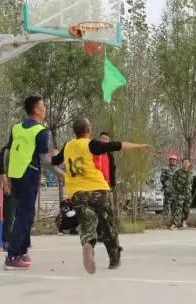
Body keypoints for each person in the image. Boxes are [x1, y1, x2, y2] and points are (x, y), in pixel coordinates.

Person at [52, 117, 150, 274]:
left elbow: (54, 160)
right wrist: (139, 146)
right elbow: (117, 145)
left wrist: (48, 154)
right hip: (98, 190)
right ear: (88, 130)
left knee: (87, 223)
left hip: (78, 193)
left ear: (75, 131)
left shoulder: (68, 145)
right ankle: (114, 257)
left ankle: (89, 244)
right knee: (107, 224)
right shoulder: (91, 144)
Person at [3, 96, 52, 270]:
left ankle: (22, 250)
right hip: (29, 175)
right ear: (36, 109)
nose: (45, 108)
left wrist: (7, 175)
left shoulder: (16, 127)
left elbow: (8, 153)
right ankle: (12, 256)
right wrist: (62, 174)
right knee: (23, 216)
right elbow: (46, 160)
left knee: (28, 215)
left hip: (16, 175)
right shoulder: (41, 131)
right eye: (43, 105)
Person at [0, 143, 15, 251]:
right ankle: (6, 241)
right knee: (9, 215)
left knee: (23, 215)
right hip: (10, 184)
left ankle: (23, 239)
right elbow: (0, 168)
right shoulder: (6, 149)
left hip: (22, 184)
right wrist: (6, 183)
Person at [170, 159, 193, 229]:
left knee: (187, 209)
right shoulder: (177, 172)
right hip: (179, 194)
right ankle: (174, 223)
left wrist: (189, 191)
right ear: (182, 163)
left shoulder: (190, 173)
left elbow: (191, 183)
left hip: (188, 194)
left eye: (187, 162)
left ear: (189, 164)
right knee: (178, 209)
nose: (186, 164)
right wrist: (178, 190)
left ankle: (184, 222)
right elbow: (173, 182)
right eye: (184, 162)